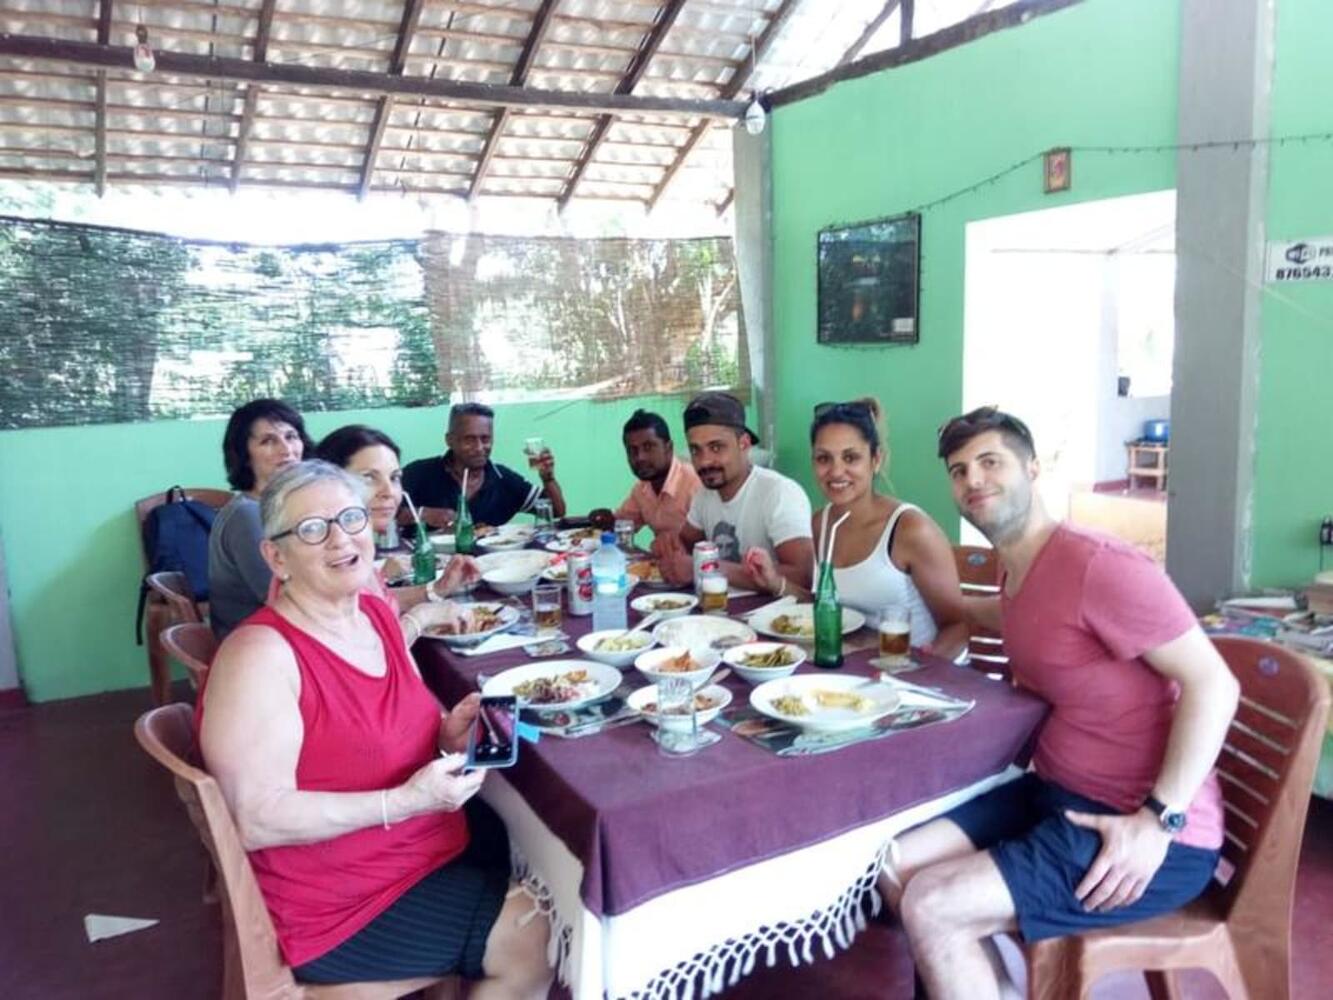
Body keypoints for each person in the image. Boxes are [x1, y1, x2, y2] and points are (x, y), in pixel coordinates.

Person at [879, 407, 1239, 1000]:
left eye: (991, 462)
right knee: (897, 865)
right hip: (1055, 794)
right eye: (959, 470)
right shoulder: (1017, 572)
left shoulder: (1100, 564)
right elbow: (1040, 620)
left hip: (1140, 827)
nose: (974, 481)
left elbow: (1215, 685)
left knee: (935, 906)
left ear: (1033, 468)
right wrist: (951, 612)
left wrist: (1158, 821)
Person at [199, 461, 551, 995]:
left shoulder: (372, 613)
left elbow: (385, 732)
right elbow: (256, 817)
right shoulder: (260, 656)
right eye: (313, 529)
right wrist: (404, 802)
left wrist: (445, 734)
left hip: (416, 848)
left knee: (544, 852)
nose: (341, 539)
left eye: (351, 519)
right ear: (276, 556)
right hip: (340, 902)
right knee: (537, 932)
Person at [745, 399, 967, 659]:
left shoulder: (910, 529)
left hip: (913, 674)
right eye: (824, 458)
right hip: (853, 673)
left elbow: (958, 627)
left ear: (876, 460)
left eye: (851, 457)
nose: (836, 471)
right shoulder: (822, 523)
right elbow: (826, 607)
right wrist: (776, 583)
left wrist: (915, 676)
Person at [652, 392, 813, 591]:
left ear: (743, 444)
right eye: (696, 450)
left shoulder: (779, 493)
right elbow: (685, 544)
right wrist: (668, 544)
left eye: (716, 447)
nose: (705, 461)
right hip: (718, 611)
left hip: (773, 618)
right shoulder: (705, 494)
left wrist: (705, 567)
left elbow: (804, 576)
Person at [315, 424, 481, 612]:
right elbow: (366, 634)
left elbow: (373, 604)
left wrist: (439, 588)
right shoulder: (327, 554)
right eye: (369, 477)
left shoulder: (356, 546)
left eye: (394, 478)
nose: (389, 492)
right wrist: (419, 620)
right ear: (328, 480)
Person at [209, 399, 313, 640]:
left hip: (285, 631)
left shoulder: (282, 506)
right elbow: (287, 598)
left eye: (291, 436)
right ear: (244, 455)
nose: (286, 450)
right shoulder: (248, 515)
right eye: (268, 441)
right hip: (258, 647)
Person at [401, 403, 566, 530]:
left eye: (485, 439)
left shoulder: (503, 479)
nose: (479, 447)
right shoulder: (419, 473)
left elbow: (557, 512)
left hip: (492, 568)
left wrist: (548, 478)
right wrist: (422, 514)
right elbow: (381, 517)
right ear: (449, 440)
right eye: (469, 439)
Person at [613, 408, 703, 541]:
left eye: (648, 447)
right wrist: (602, 519)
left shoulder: (694, 485)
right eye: (632, 451)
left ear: (669, 448)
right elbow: (620, 523)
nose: (640, 457)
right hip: (662, 561)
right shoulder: (642, 489)